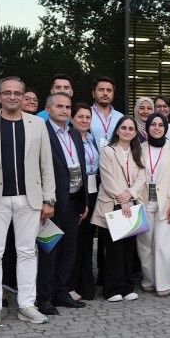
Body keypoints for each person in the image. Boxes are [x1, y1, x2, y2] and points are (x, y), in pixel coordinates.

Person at [0, 76, 56, 329]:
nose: (13, 97)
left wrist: (49, 199)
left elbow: (46, 165)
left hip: (30, 198)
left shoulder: (38, 124)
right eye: (7, 93)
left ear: (24, 95)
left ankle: (27, 305)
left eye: (17, 92)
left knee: (28, 252)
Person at [35, 91, 88, 315]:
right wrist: (44, 200)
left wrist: (84, 200)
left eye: (67, 107)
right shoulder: (42, 133)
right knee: (50, 250)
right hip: (53, 202)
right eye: (60, 107)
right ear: (48, 110)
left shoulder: (75, 134)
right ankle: (44, 298)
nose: (65, 111)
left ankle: (61, 291)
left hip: (75, 200)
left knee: (68, 250)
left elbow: (81, 168)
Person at [92, 117, 145, 302]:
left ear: (135, 133)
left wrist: (129, 195)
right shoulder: (108, 150)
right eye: (124, 128)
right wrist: (120, 198)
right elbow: (106, 177)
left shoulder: (137, 152)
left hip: (130, 204)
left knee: (128, 250)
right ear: (117, 130)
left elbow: (141, 177)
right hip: (111, 204)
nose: (127, 131)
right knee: (113, 250)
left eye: (131, 128)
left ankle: (127, 286)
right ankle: (111, 289)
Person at [137, 113, 170, 296]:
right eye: (153, 124)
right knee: (145, 245)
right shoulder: (139, 148)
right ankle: (149, 280)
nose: (157, 128)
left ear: (165, 128)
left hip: (166, 203)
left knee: (163, 245)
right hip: (143, 201)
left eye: (160, 125)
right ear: (147, 127)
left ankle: (163, 284)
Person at [70, 103, 100, 301]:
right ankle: (70, 284)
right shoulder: (68, 139)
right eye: (80, 116)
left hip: (93, 192)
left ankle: (85, 285)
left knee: (87, 241)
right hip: (74, 194)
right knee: (74, 241)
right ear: (72, 119)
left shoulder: (92, 139)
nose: (84, 120)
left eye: (88, 117)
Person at [89, 76, 123, 149]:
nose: (105, 93)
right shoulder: (86, 115)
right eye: (101, 90)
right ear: (93, 93)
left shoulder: (120, 117)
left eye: (109, 90)